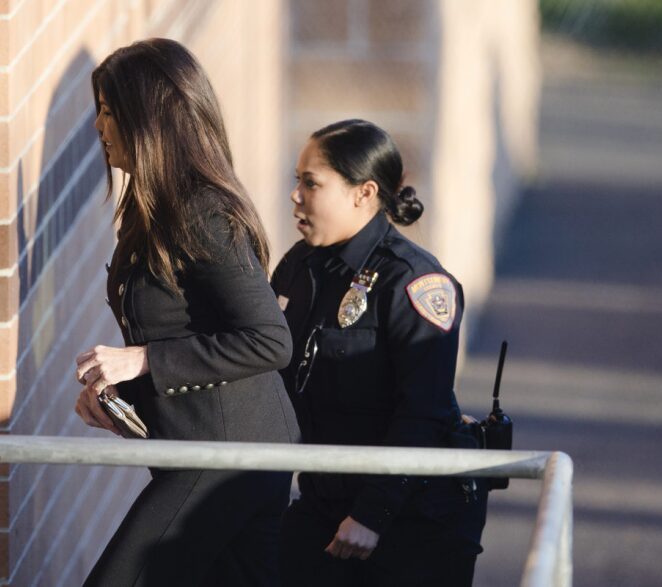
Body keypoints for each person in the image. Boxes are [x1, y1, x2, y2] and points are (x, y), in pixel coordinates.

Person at [73, 38, 300, 587]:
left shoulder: (203, 211)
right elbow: (184, 326)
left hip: (227, 457)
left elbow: (270, 340)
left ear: (146, 118)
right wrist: (117, 391)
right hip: (209, 449)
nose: (100, 127)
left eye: (109, 112)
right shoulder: (153, 206)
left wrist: (143, 361)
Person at [272, 119, 487, 586]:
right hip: (324, 503)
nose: (296, 195)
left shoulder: (414, 282)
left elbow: (424, 411)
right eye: (297, 181)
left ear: (363, 193)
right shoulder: (301, 266)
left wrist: (373, 514)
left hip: (411, 520)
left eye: (311, 182)